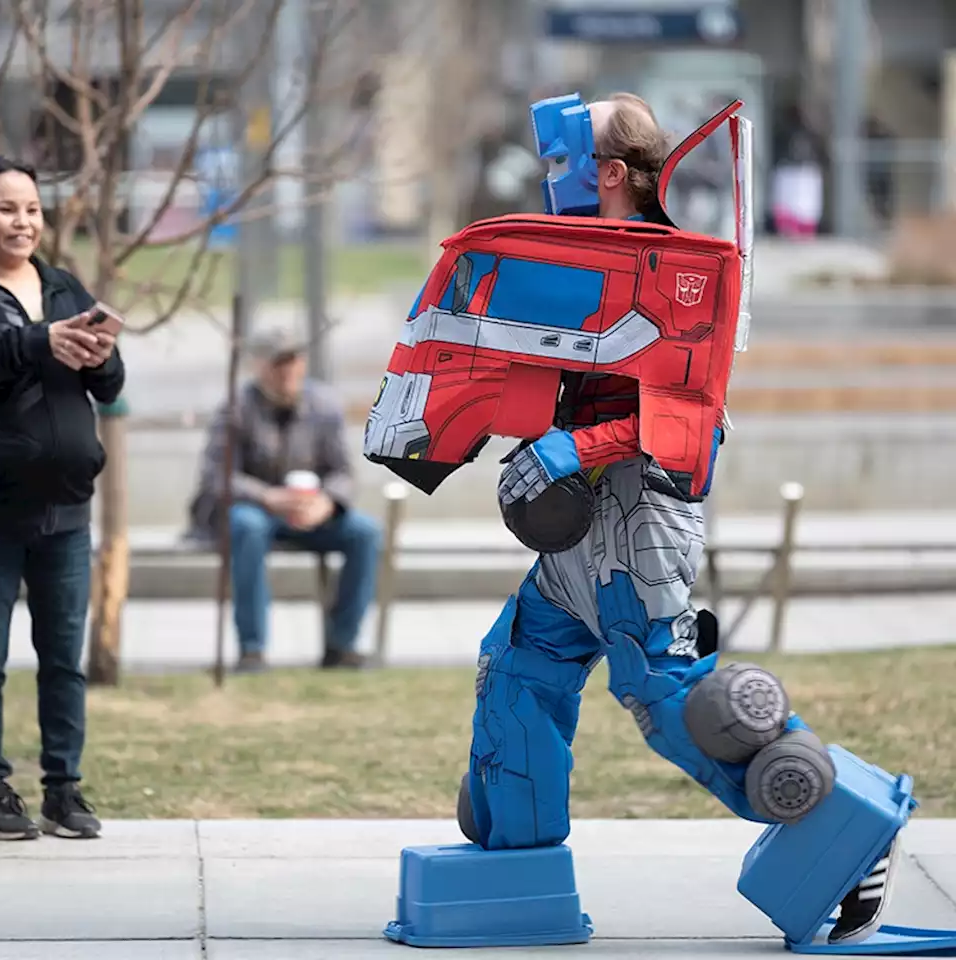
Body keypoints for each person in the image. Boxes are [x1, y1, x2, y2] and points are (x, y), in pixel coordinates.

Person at [365, 93, 899, 948]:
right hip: (579, 535)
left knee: (669, 695)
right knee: (518, 667)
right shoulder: (589, 260)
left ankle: (852, 831)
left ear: (609, 173)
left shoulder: (684, 271)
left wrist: (576, 449)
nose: (549, 179)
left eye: (561, 164)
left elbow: (693, 410)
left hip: (638, 525)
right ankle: (517, 860)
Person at [0, 155, 124, 842]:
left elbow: (108, 385)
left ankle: (62, 789)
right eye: (8, 209)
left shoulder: (64, 285)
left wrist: (101, 354)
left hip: (67, 508)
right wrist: (39, 341)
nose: (24, 221)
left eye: (33, 210)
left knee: (62, 657)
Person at [187, 329, 383, 672]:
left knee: (365, 532)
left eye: (293, 361)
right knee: (245, 527)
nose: (287, 370)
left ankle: (342, 644)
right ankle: (252, 649)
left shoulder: (324, 404)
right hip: (256, 512)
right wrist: (267, 497)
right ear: (258, 367)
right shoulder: (236, 407)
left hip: (311, 511)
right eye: (278, 362)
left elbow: (344, 472)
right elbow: (216, 475)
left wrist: (328, 502)